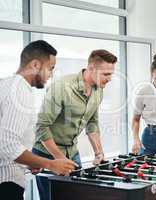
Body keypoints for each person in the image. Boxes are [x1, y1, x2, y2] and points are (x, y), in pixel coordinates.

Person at [32, 49, 117, 200]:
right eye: (106, 74)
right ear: (91, 68)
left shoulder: (99, 90)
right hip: (48, 153)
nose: (110, 78)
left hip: (72, 153)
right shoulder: (62, 87)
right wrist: (59, 159)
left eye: (111, 74)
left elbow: (92, 122)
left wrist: (99, 153)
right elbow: (41, 127)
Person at [0, 40, 76, 200]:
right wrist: (49, 163)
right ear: (35, 65)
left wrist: (30, 162)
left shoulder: (7, 84)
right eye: (51, 68)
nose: (51, 74)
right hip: (6, 184)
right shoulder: (19, 91)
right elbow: (7, 144)